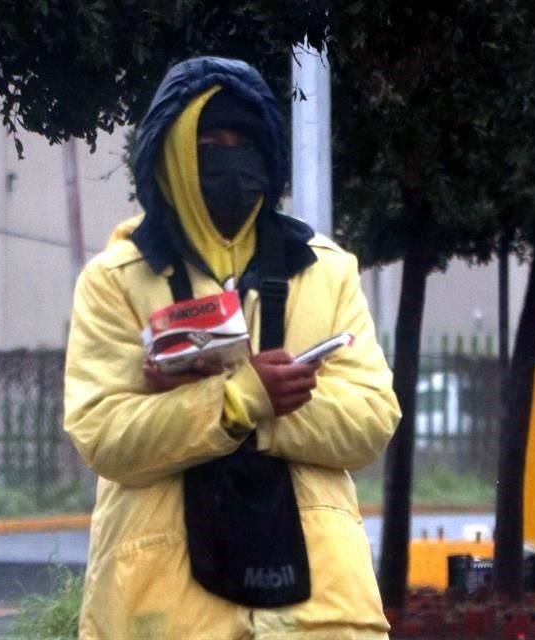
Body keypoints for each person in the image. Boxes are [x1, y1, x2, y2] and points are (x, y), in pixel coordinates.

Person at [64, 56, 401, 640]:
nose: (229, 156)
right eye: (209, 141)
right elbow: (103, 435)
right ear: (170, 155)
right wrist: (238, 400)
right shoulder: (116, 279)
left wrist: (267, 405)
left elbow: (371, 420)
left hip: (319, 614)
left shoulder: (327, 270)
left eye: (243, 140)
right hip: (164, 615)